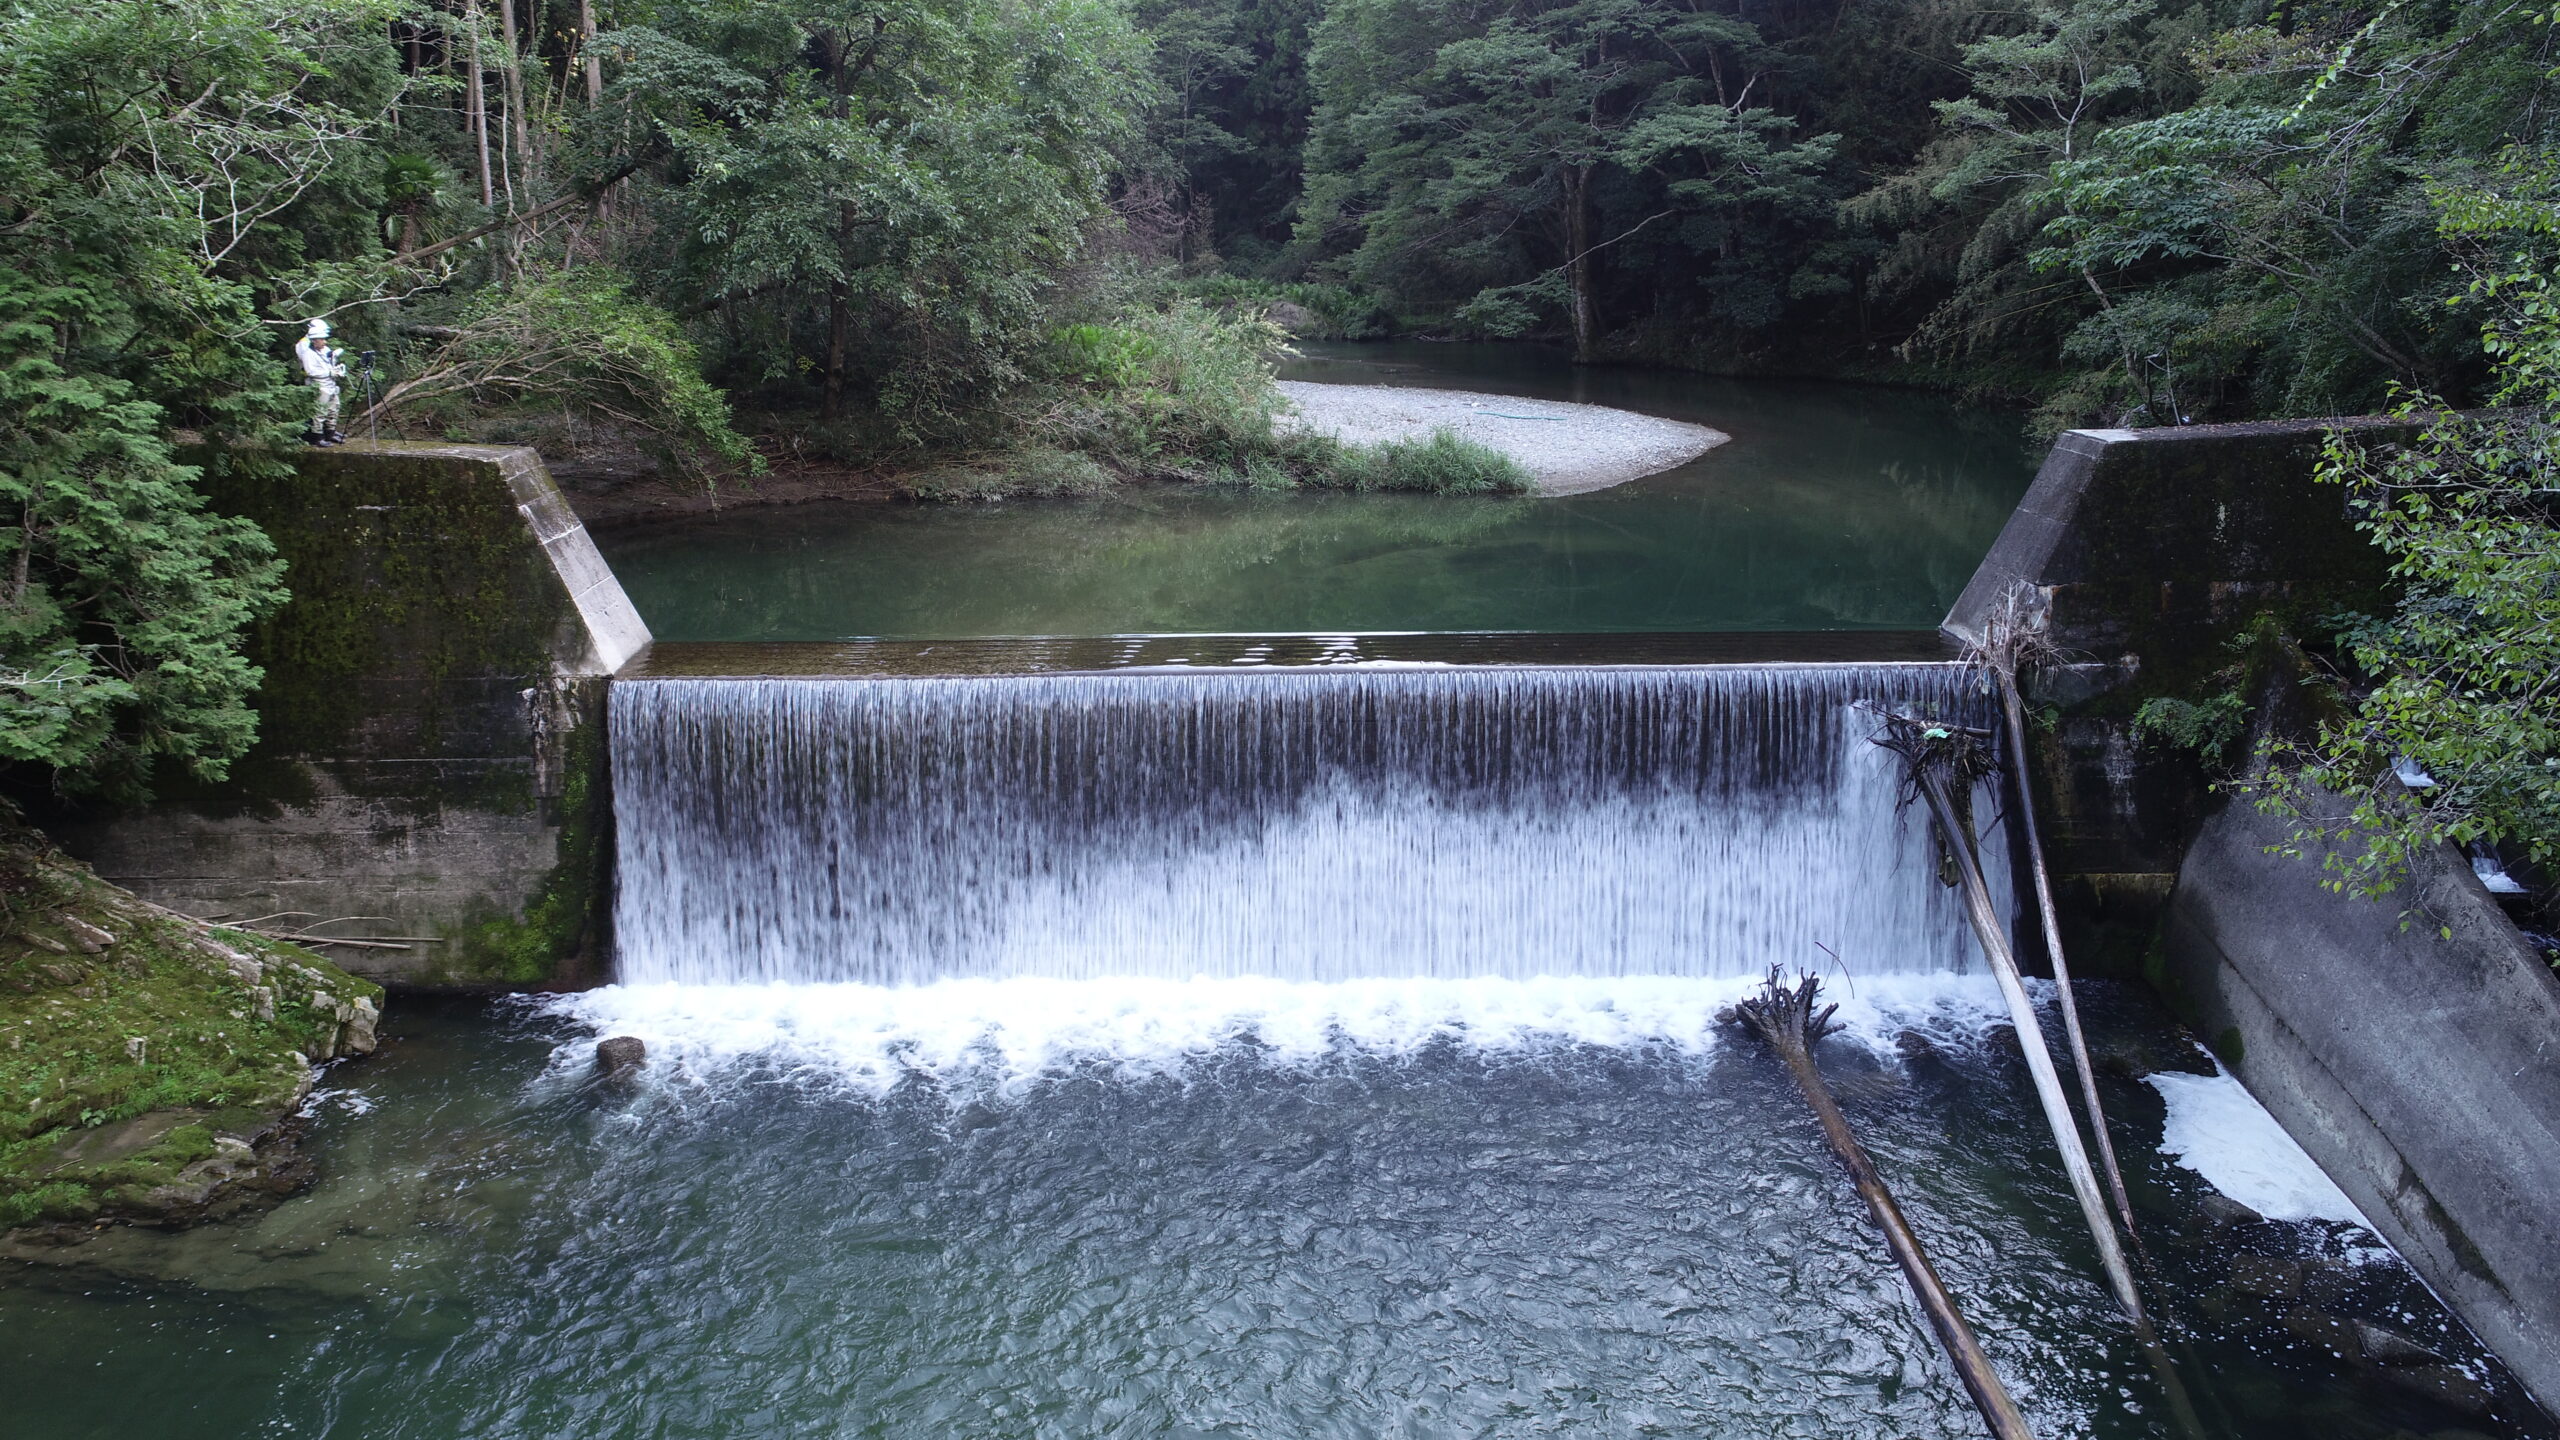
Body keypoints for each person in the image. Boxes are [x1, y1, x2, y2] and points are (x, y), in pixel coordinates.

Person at [295, 318, 350, 446]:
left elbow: (328, 362)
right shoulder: (307, 351)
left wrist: (336, 367)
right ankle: (317, 437)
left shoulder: (324, 349)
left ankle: (330, 433)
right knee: (320, 411)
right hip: (319, 384)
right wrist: (329, 373)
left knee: (333, 408)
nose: (325, 342)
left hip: (330, 383)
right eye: (322, 339)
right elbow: (311, 371)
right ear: (314, 339)